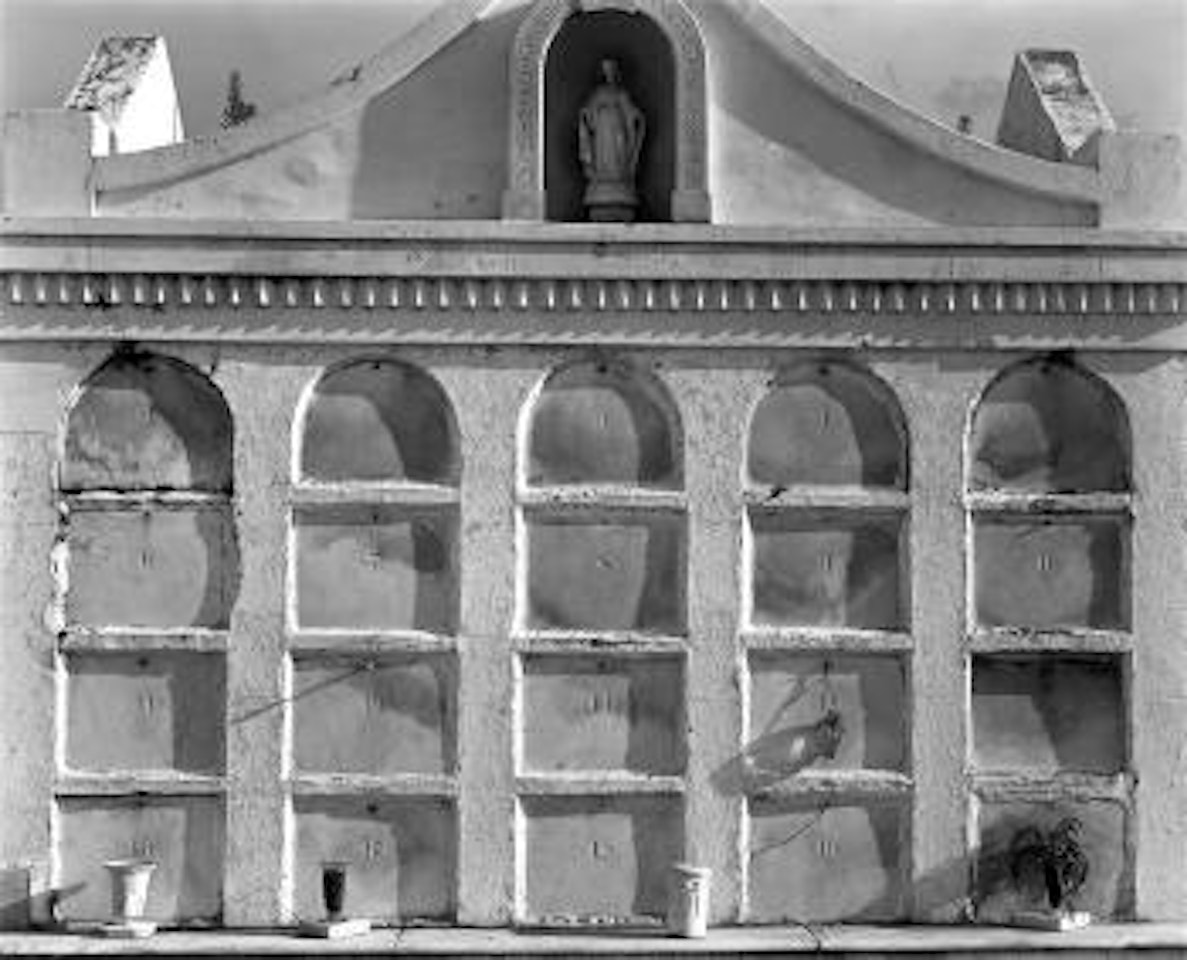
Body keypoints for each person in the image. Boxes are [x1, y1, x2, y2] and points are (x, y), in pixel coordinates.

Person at [578, 59, 646, 221]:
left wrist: (636, 117)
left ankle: (620, 181)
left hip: (617, 130)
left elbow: (630, 114)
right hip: (601, 134)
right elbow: (589, 114)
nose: (609, 74)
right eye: (606, 71)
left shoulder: (621, 93)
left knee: (619, 157)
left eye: (611, 71)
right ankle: (602, 181)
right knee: (602, 158)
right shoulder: (598, 93)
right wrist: (588, 114)